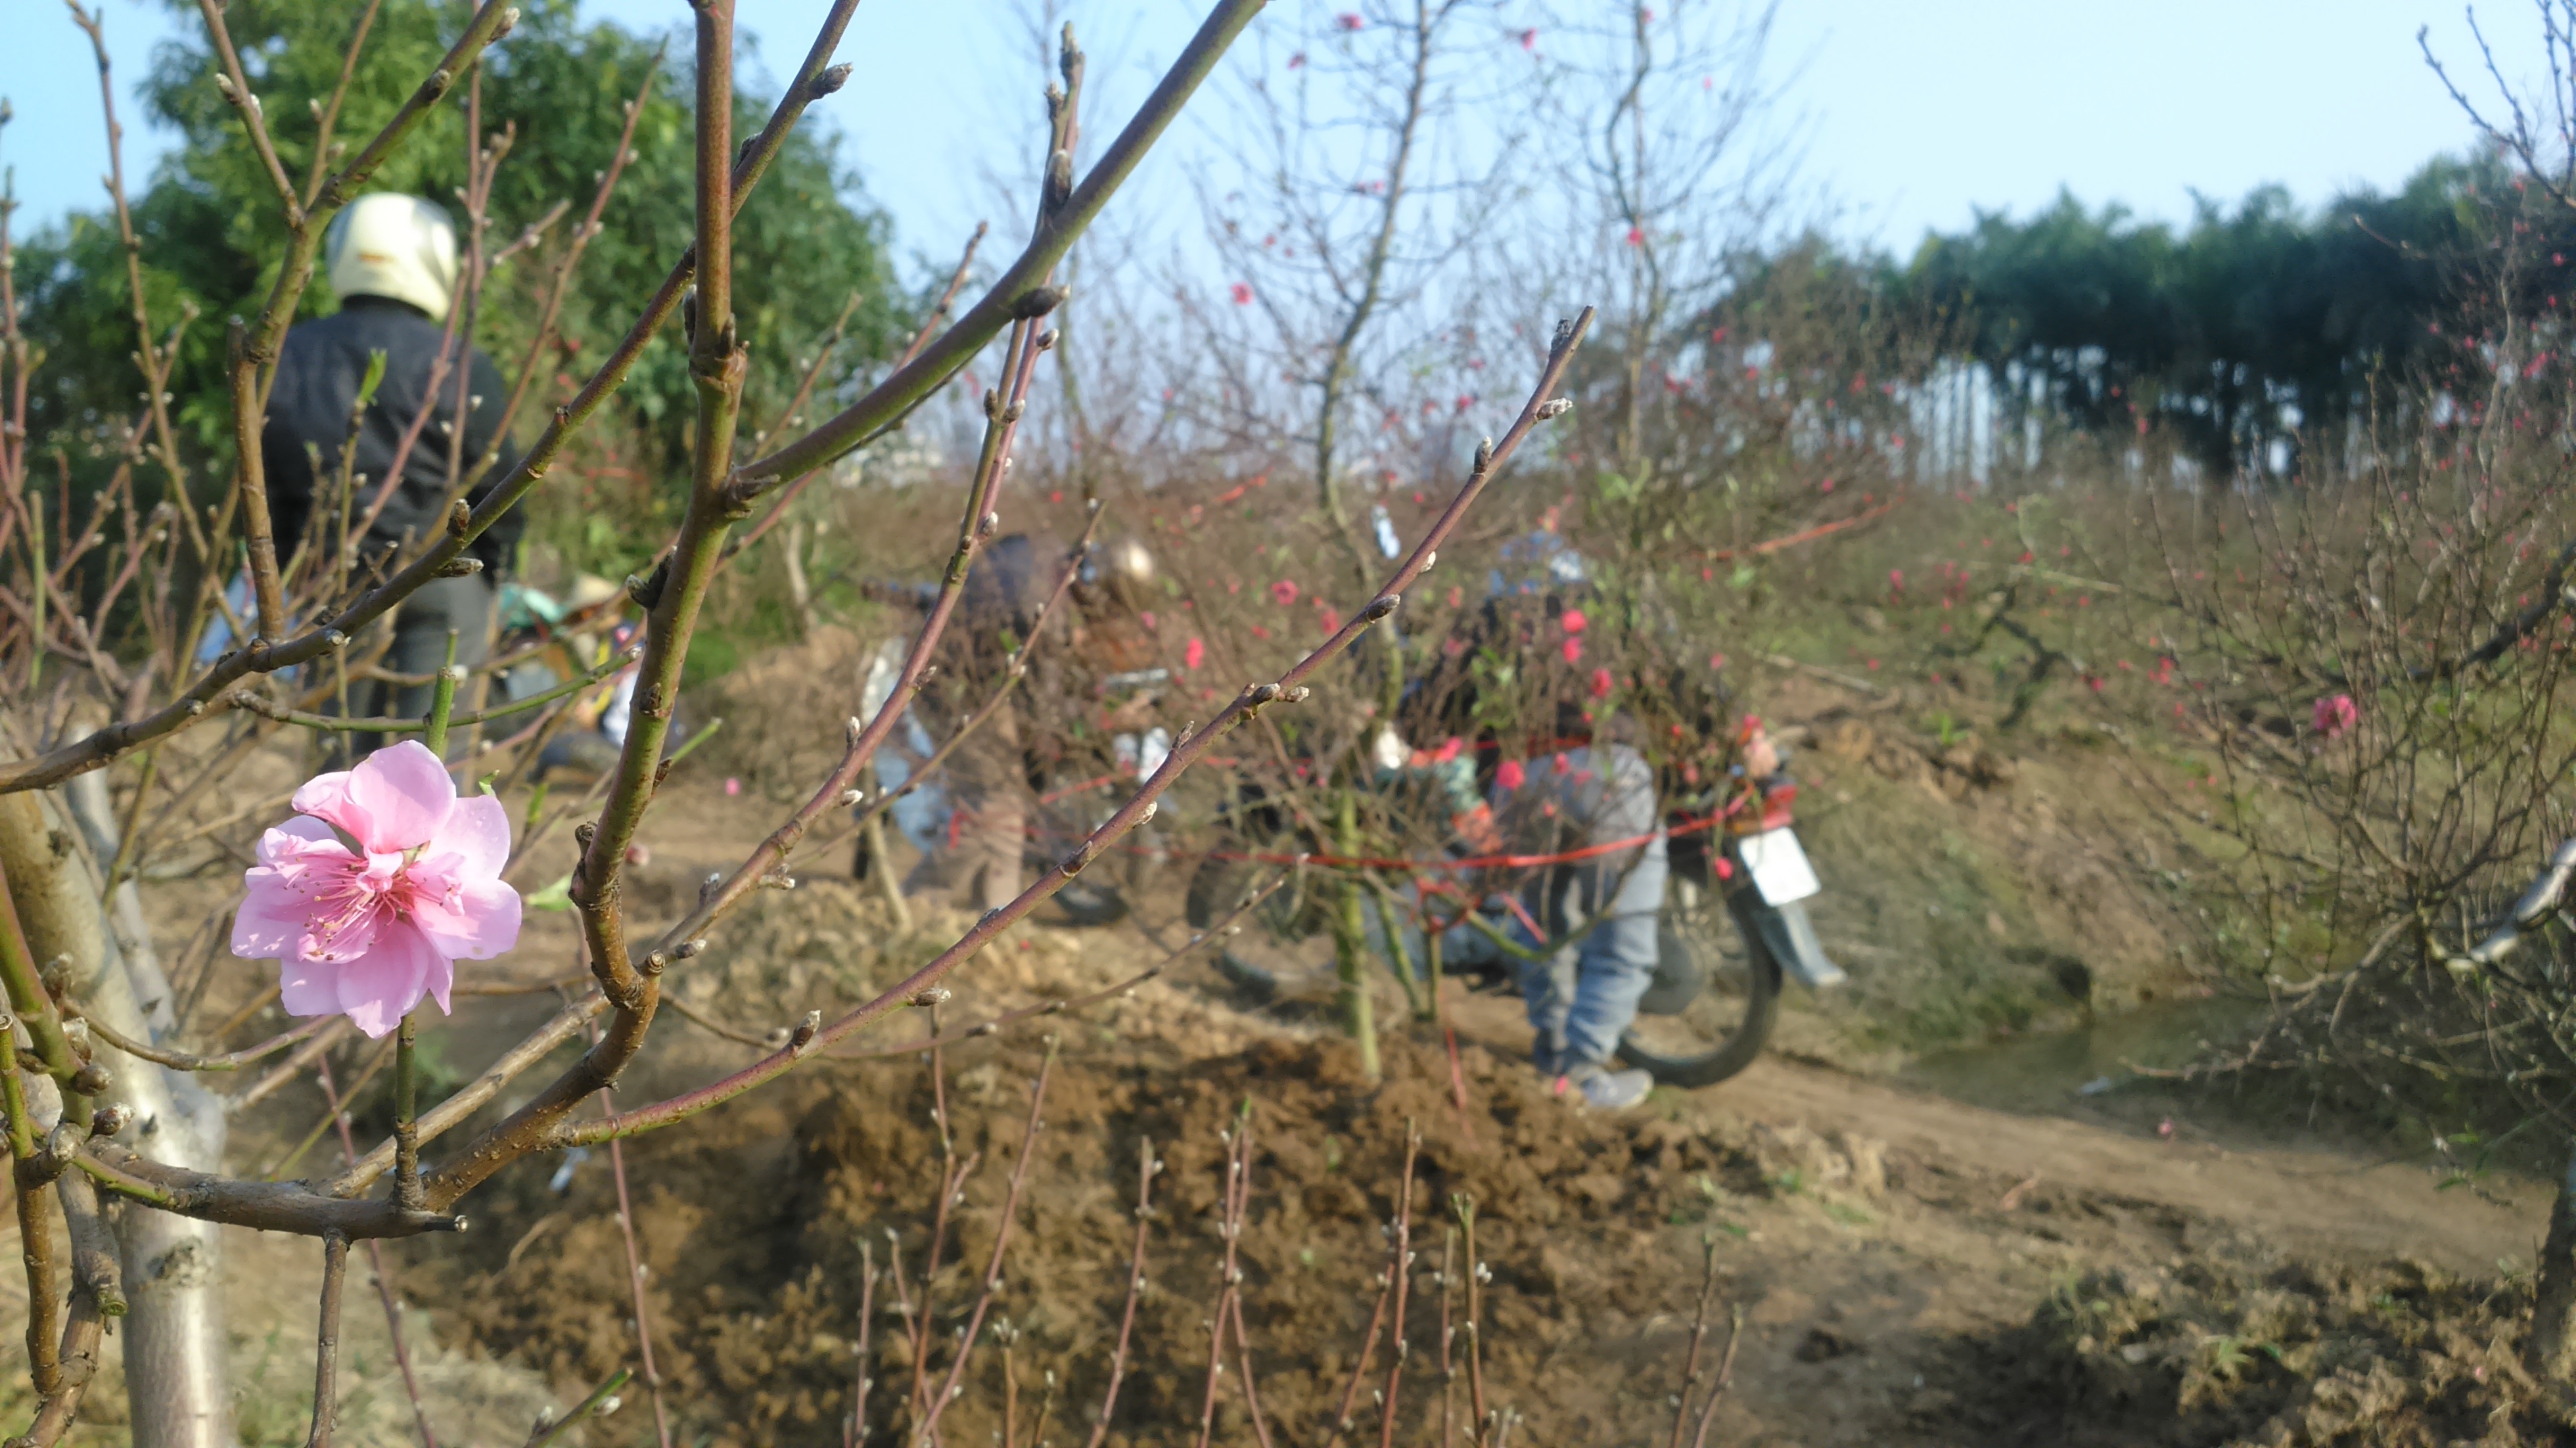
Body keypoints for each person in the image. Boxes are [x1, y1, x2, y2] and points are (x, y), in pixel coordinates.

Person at [263, 193, 522, 754]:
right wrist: (495, 571)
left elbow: (267, 487)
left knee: (334, 758)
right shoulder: (458, 358)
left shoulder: (288, 353)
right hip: (442, 576)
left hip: (334, 582)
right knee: (432, 763)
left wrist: (292, 573)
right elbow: (499, 482)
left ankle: (325, 845)